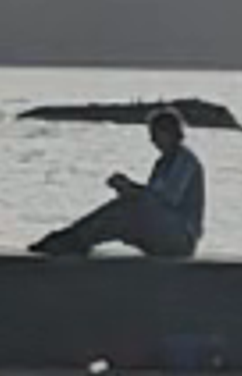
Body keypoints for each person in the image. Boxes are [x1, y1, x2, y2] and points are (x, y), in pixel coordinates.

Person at [29, 103, 207, 262]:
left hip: (181, 237)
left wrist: (131, 190)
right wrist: (129, 190)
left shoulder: (185, 161)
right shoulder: (162, 163)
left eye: (155, 134)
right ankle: (75, 237)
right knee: (121, 211)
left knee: (129, 209)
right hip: (165, 228)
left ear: (169, 133)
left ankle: (74, 239)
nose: (152, 140)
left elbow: (165, 200)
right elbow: (152, 198)